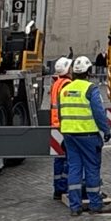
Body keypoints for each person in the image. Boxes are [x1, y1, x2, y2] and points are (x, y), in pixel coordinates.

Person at [58, 55, 111, 215]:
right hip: (87, 134)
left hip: (69, 134)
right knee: (91, 168)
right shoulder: (90, 88)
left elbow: (61, 113)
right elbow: (99, 112)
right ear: (89, 71)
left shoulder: (65, 89)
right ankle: (95, 204)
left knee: (74, 168)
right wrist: (106, 130)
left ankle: (75, 206)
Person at [48, 56, 72, 203]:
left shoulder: (56, 83)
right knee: (69, 159)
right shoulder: (67, 84)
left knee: (58, 159)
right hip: (64, 126)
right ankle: (65, 187)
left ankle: (57, 188)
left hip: (55, 125)